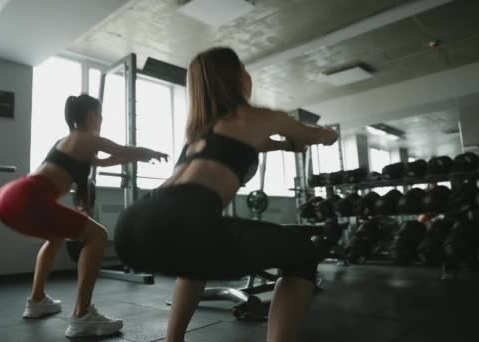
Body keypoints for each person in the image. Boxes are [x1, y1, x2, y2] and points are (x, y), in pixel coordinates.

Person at [113, 47, 338, 342]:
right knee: (304, 254)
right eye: (243, 68)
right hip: (181, 220)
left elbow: (252, 143)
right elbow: (314, 135)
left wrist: (284, 146)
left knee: (195, 264)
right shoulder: (260, 116)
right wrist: (328, 134)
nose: (248, 74)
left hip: (131, 225)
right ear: (234, 77)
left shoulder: (199, 134)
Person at [0, 94, 168, 338]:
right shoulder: (87, 137)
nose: (102, 119)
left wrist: (127, 157)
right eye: (101, 114)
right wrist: (151, 152)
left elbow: (107, 160)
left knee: (54, 238)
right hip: (28, 195)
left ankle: (37, 300)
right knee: (98, 235)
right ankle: (82, 315)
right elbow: (122, 150)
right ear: (91, 115)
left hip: (8, 197)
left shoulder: (69, 141)